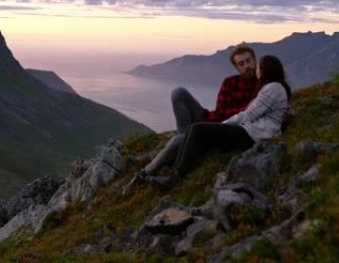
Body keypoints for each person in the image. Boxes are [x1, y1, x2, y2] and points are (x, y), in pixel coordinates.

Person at [121, 46, 258, 196]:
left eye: (248, 61)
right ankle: (185, 140)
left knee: (179, 139)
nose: (247, 66)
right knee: (178, 93)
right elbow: (221, 112)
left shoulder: (262, 86)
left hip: (219, 130)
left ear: (254, 60)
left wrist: (240, 112)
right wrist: (241, 110)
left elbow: (251, 113)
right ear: (237, 67)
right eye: (241, 64)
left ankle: (143, 174)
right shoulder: (230, 82)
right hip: (209, 120)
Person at [147, 54, 291, 188]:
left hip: (253, 134)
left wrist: (223, 125)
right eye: (242, 63)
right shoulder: (271, 88)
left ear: (266, 70)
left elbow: (248, 115)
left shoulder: (272, 88)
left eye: (258, 66)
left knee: (197, 129)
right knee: (195, 128)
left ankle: (176, 176)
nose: (256, 69)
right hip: (252, 131)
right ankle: (177, 162)